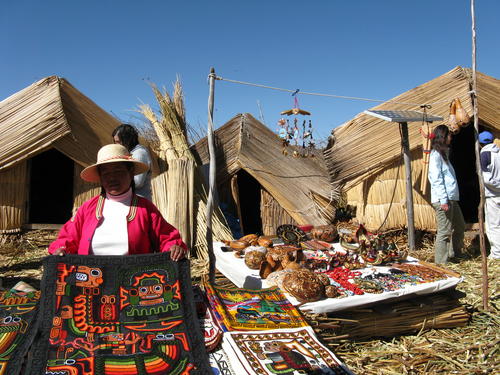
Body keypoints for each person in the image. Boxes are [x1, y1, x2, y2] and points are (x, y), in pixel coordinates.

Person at [48, 144, 187, 260]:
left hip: (133, 281)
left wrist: (173, 247)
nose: (112, 178)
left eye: (118, 171)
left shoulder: (145, 209)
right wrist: (61, 249)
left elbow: (167, 238)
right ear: (100, 177)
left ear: (131, 172)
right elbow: (68, 238)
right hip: (90, 280)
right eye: (106, 173)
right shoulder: (88, 208)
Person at [428, 124, 465, 264]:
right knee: (444, 231)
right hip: (443, 199)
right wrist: (443, 199)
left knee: (460, 226)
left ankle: (455, 253)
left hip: (451, 198)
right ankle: (441, 264)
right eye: (449, 135)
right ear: (443, 137)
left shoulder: (444, 155)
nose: (451, 137)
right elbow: (436, 178)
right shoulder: (435, 155)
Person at [112, 124, 153, 201]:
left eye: (118, 142)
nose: (117, 145)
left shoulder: (139, 153)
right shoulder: (129, 153)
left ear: (127, 139)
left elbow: (138, 182)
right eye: (115, 142)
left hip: (139, 203)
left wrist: (117, 180)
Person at [479, 130, 500, 259]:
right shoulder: (498, 152)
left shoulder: (485, 154)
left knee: (493, 225)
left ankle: (496, 254)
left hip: (493, 195)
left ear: (480, 143)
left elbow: (486, 178)